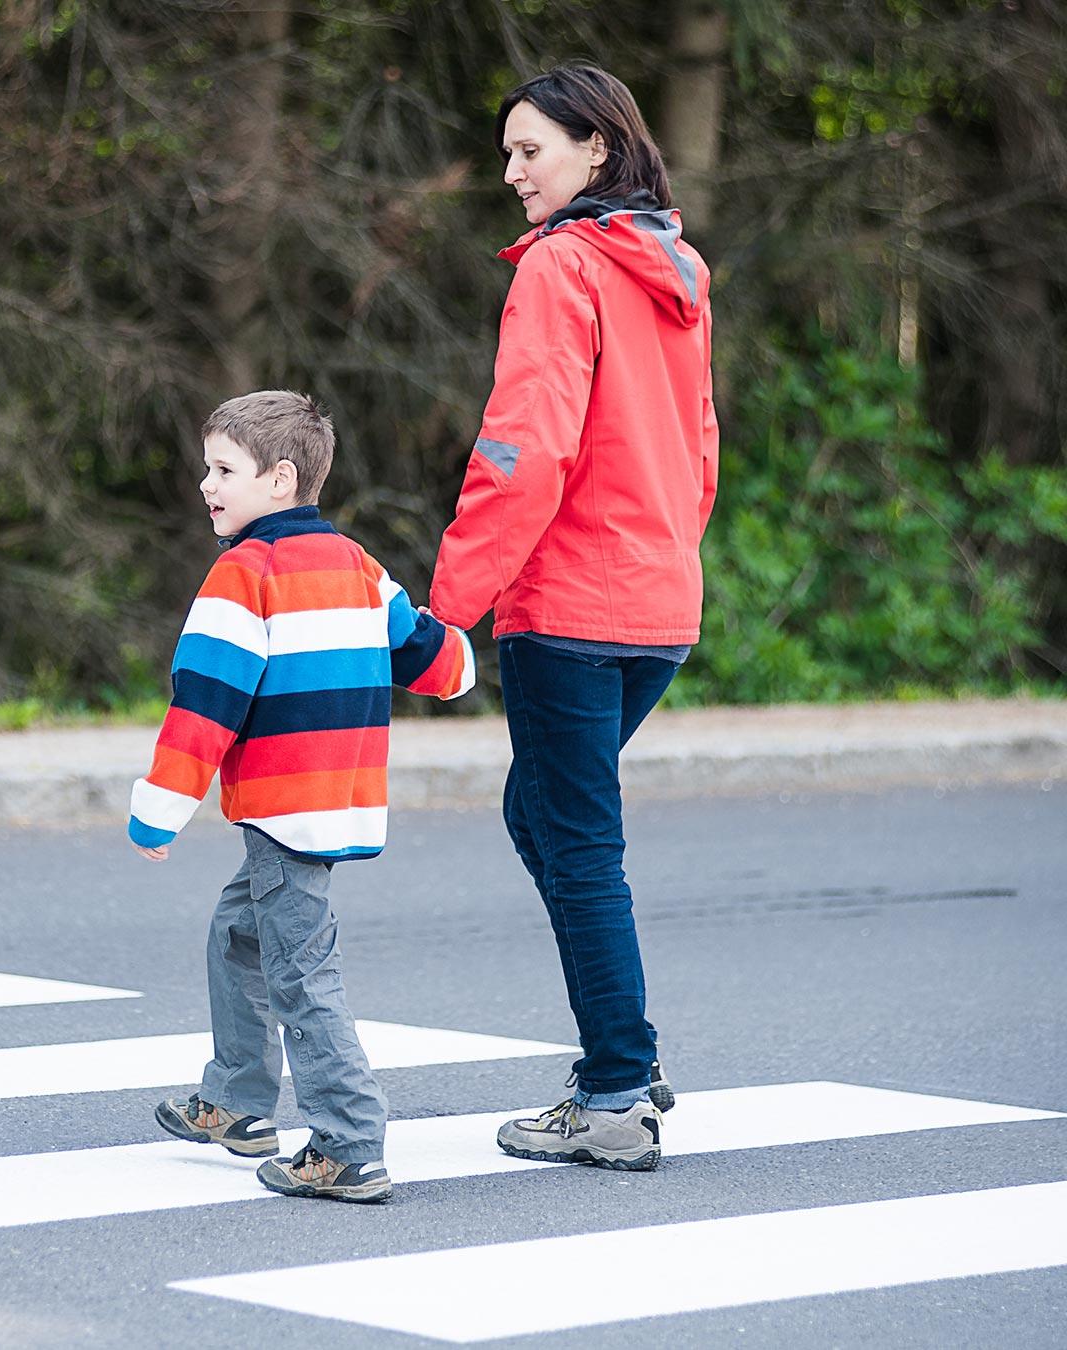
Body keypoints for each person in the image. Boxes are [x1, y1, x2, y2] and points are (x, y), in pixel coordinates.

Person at [429, 65, 718, 1172]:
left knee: (577, 841)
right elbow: (701, 448)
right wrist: (670, 563)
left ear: (597, 150)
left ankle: (614, 1090)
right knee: (543, 815)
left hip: (571, 606)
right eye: (507, 155)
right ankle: (622, 1062)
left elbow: (522, 450)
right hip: (657, 602)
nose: (511, 174)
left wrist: (450, 610)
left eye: (529, 152)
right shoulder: (678, 267)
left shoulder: (563, 267)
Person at [129, 389, 475, 1204]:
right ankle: (238, 1101)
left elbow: (204, 702)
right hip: (336, 797)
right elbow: (430, 657)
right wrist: (463, 657)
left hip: (284, 810)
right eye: (206, 467)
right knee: (238, 934)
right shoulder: (357, 566)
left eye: (223, 469)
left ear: (280, 478)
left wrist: (160, 807)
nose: (205, 484)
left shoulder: (243, 574)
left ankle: (348, 1144)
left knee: (301, 974)